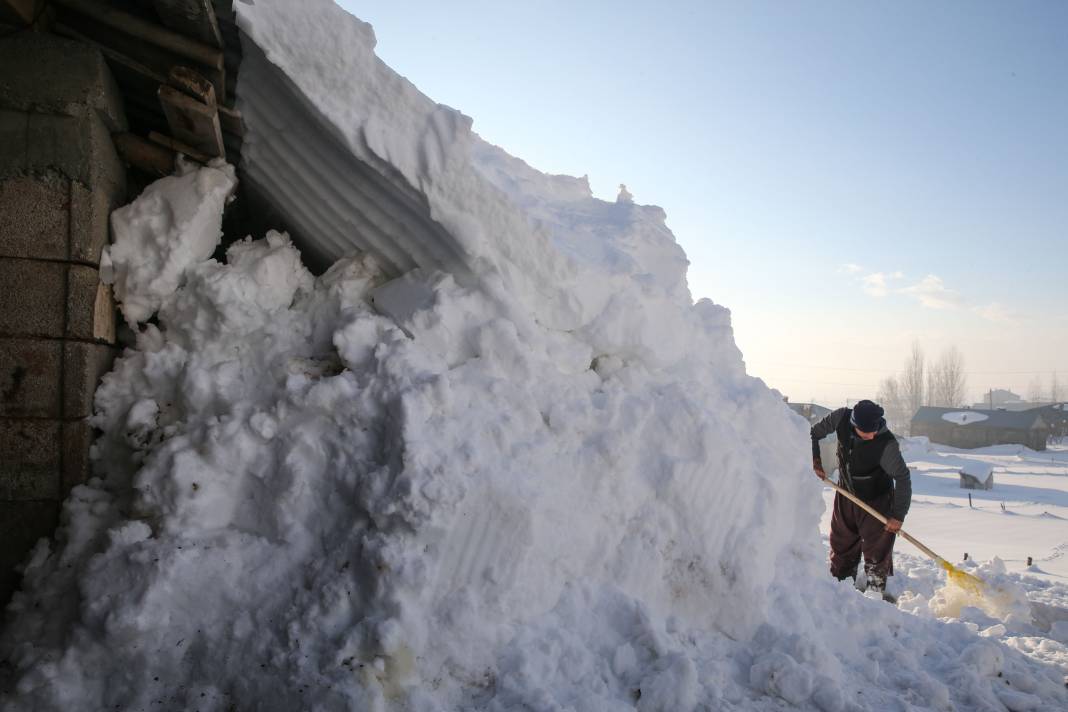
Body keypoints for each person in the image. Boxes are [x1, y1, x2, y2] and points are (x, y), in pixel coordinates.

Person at [810, 399, 911, 601]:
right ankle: (841, 591)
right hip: (846, 495)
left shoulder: (886, 444)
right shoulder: (840, 418)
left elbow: (902, 478)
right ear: (854, 425)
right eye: (867, 432)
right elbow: (813, 433)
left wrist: (898, 516)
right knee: (842, 545)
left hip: (876, 501)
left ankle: (875, 593)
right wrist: (816, 459)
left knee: (876, 552)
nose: (872, 435)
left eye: (874, 430)